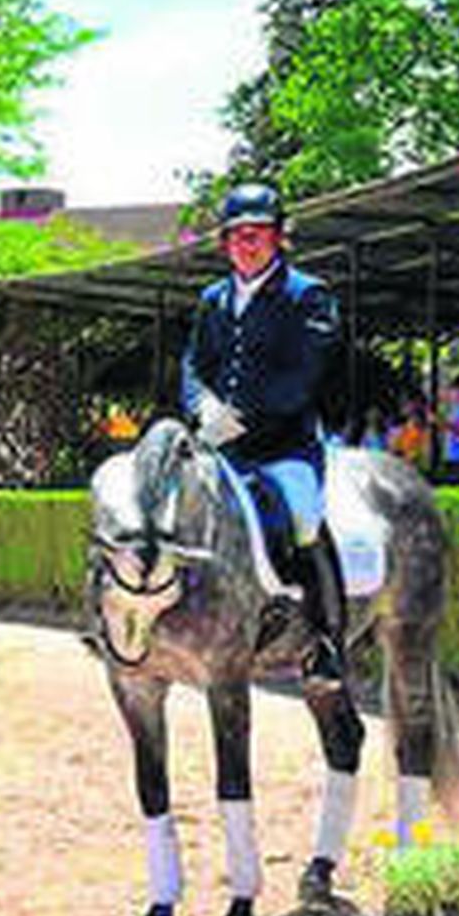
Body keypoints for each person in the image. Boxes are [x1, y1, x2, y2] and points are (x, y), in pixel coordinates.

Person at [180, 181, 347, 686]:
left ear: (278, 238)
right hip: (219, 445)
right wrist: (202, 406)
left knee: (304, 517)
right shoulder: (214, 298)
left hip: (283, 447)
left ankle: (325, 643)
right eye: (236, 235)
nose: (245, 244)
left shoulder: (308, 296)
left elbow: (303, 376)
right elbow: (194, 364)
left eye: (257, 234)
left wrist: (240, 417)